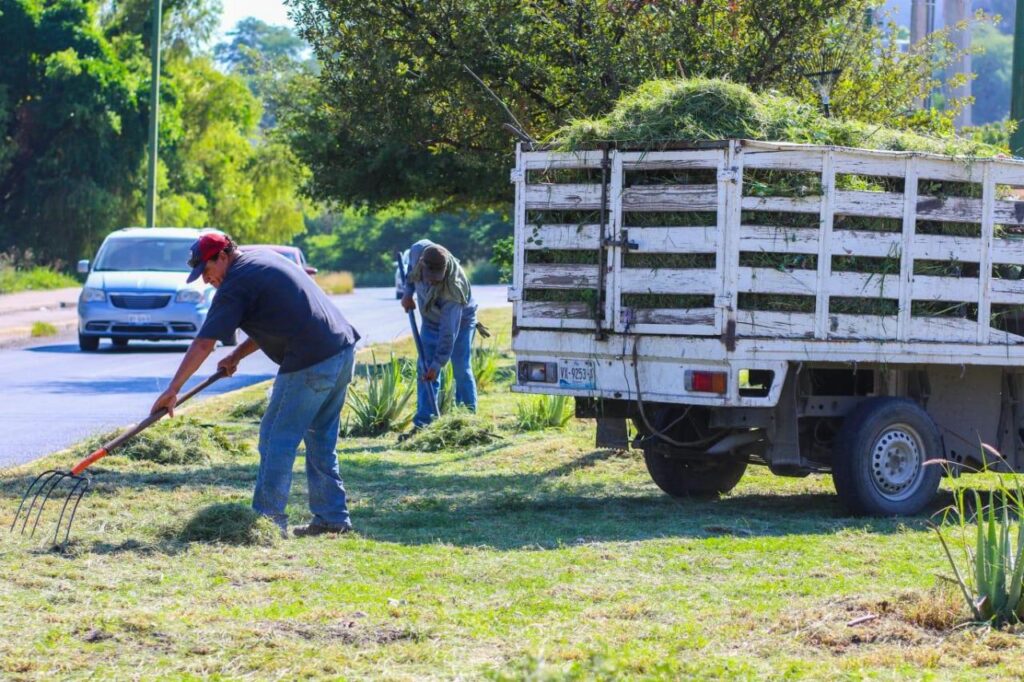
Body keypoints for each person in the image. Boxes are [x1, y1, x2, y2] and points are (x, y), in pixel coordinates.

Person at [150, 232, 361, 537]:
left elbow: (204, 344)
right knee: (320, 441)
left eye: (207, 272)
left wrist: (172, 391)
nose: (206, 281)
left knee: (276, 437)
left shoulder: (236, 283)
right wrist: (236, 354)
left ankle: (266, 522)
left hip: (311, 360)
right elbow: (282, 317)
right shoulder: (262, 258)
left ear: (222, 257)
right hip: (341, 350)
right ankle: (332, 518)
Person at [400, 240, 483, 432]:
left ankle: (466, 420)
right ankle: (424, 422)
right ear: (422, 263)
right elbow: (410, 274)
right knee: (424, 368)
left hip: (460, 323)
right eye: (429, 277)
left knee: (461, 367)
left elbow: (448, 333)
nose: (431, 281)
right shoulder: (417, 251)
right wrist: (407, 293)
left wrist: (438, 364)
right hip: (430, 319)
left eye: (437, 278)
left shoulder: (453, 289)